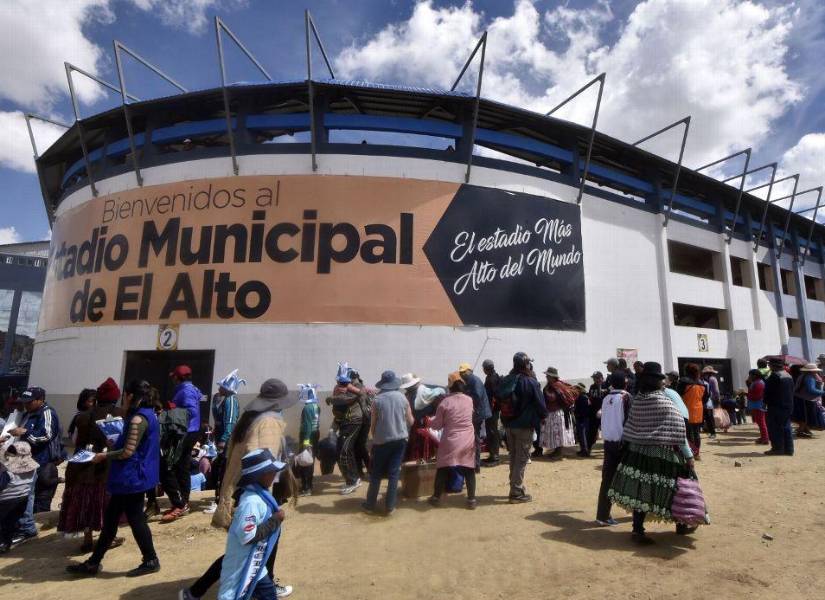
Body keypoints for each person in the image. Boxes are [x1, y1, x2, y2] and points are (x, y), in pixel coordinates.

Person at [183, 378, 296, 600]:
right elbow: (261, 459)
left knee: (239, 551)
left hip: (239, 488)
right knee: (260, 541)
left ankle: (195, 591)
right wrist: (267, 494)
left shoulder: (249, 419)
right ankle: (266, 586)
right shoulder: (269, 423)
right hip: (253, 490)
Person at [67, 379, 161, 577]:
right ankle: (94, 562)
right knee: (112, 520)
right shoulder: (147, 416)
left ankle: (151, 559)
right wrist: (114, 442)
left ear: (130, 396)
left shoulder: (137, 420)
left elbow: (127, 452)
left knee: (134, 519)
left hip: (131, 477)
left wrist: (104, 455)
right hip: (133, 477)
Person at [608, 362, 698, 544]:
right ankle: (681, 524)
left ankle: (637, 530)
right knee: (675, 489)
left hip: (637, 453)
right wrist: (688, 455)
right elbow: (679, 431)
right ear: (658, 381)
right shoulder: (664, 401)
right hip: (662, 454)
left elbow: (631, 426)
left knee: (641, 492)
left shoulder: (638, 400)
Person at [59, 378, 126, 552]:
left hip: (81, 466)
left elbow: (75, 441)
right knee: (105, 504)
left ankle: (87, 540)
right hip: (105, 468)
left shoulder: (82, 416)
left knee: (85, 503)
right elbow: (119, 444)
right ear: (115, 397)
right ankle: (108, 537)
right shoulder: (120, 414)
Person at [216, 449, 286, 600]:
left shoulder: (260, 496)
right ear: (260, 475)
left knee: (267, 594)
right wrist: (275, 520)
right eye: (271, 471)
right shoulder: (251, 502)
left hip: (254, 562)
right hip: (243, 564)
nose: (275, 474)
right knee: (232, 595)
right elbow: (247, 536)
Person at [498, 352, 548, 503]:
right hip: (524, 426)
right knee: (521, 459)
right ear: (526, 364)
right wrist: (543, 417)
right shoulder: (530, 382)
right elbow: (540, 404)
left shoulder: (507, 379)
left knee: (513, 457)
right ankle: (516, 492)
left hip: (508, 424)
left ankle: (515, 486)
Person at [362, 371, 413, 515]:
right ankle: (390, 507)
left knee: (376, 474)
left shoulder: (377, 400)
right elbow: (411, 420)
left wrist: (373, 439)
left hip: (381, 441)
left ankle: (370, 505)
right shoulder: (403, 398)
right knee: (394, 473)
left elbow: (373, 424)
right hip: (400, 440)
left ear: (383, 384)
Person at [6, 387, 62, 516]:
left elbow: (47, 436)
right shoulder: (28, 413)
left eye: (29, 402)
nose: (26, 405)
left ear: (40, 400)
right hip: (25, 462)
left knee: (38, 500)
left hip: (41, 462)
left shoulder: (46, 413)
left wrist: (25, 432)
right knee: (24, 496)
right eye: (24, 402)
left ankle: (33, 527)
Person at [428, 372, 478, 509]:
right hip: (468, 438)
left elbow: (437, 425)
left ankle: (436, 497)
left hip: (450, 439)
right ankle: (471, 500)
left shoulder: (445, 402)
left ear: (450, 387)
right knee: (469, 469)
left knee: (443, 468)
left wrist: (429, 422)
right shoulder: (469, 400)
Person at [161, 365, 203, 522]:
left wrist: (171, 410)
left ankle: (179, 502)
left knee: (168, 465)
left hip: (184, 432)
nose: (172, 379)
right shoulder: (191, 389)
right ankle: (183, 502)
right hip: (190, 431)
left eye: (174, 377)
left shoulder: (185, 391)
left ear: (178, 377)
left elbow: (191, 410)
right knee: (182, 466)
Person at [204, 370, 244, 514]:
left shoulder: (231, 400)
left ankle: (221, 501)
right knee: (221, 468)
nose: (219, 388)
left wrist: (224, 439)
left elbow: (230, 422)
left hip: (228, 441)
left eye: (221, 386)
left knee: (223, 470)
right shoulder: (221, 399)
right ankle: (220, 498)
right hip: (222, 439)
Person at [595, 372, 630, 526]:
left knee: (607, 479)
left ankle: (602, 515)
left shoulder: (606, 398)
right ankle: (638, 513)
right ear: (625, 383)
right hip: (623, 444)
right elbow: (630, 421)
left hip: (608, 443)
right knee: (633, 477)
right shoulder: (626, 397)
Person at [327, 363, 368, 495]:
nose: (341, 383)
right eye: (339, 381)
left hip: (354, 421)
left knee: (345, 450)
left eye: (343, 381)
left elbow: (344, 400)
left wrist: (333, 397)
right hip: (345, 422)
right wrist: (335, 395)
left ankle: (353, 480)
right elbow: (338, 401)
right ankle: (353, 478)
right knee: (343, 451)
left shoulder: (356, 387)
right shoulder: (341, 388)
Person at [0, 441, 38, 554]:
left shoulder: (7, 470)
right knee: (9, 524)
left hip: (4, 502)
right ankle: (5, 544)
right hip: (22, 501)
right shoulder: (33, 468)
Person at [458, 362, 492, 471]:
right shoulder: (469, 380)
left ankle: (476, 464)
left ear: (469, 371)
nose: (462, 374)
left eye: (463, 372)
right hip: (477, 412)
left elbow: (476, 397)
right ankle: (474, 462)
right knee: (473, 437)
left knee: (475, 438)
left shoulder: (474, 380)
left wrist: (466, 403)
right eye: (461, 372)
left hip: (478, 412)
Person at [539, 367, 575, 459]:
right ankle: (556, 451)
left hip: (558, 413)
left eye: (548, 375)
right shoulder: (549, 386)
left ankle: (559, 453)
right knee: (554, 433)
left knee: (558, 433)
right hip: (551, 413)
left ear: (552, 376)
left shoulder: (557, 385)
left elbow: (554, 398)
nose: (546, 377)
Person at [763, 358, 794, 456]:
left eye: (770, 365)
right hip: (788, 405)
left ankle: (778, 448)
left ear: (773, 366)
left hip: (776, 405)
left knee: (775, 428)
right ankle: (789, 449)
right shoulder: (788, 375)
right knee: (786, 427)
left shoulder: (774, 376)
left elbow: (768, 392)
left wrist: (765, 402)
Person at [677, 364, 707, 459]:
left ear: (686, 371)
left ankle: (689, 453)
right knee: (696, 433)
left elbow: (678, 395)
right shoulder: (702, 383)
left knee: (688, 433)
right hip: (698, 410)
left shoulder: (683, 381)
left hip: (686, 409)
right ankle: (697, 453)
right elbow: (705, 398)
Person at [296, 384, 320, 496]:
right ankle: (309, 485)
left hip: (307, 437)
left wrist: (305, 442)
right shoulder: (316, 406)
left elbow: (307, 426)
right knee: (310, 460)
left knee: (305, 462)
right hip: (315, 435)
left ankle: (306, 488)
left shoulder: (307, 408)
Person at [792, 363, 824, 438]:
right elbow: (811, 390)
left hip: (801, 398)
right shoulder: (809, 377)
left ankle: (805, 429)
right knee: (805, 416)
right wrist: (823, 392)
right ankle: (801, 431)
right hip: (806, 399)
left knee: (804, 416)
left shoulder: (804, 376)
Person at [481, 359, 502, 466]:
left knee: (492, 431)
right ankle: (492, 454)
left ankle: (495, 456)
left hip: (492, 409)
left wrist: (490, 409)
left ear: (486, 368)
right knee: (491, 431)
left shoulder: (492, 379)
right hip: (491, 408)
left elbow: (495, 396)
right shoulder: (491, 376)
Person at [746, 369, 769, 444]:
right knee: (759, 422)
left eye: (750, 375)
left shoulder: (759, 383)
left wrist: (746, 394)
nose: (749, 376)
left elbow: (757, 396)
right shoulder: (755, 382)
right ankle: (763, 437)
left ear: (755, 375)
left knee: (761, 422)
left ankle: (765, 438)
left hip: (759, 405)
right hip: (756, 405)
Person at [587, 371, 606, 450]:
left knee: (606, 430)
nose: (595, 380)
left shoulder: (606, 386)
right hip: (594, 412)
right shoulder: (592, 387)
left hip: (605, 412)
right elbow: (591, 398)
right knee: (592, 431)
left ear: (602, 378)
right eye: (594, 378)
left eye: (597, 378)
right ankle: (588, 448)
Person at [573, 383, 592, 457]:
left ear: (580, 389)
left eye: (577, 388)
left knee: (583, 435)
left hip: (583, 419)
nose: (575, 389)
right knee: (581, 436)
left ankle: (585, 451)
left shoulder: (583, 397)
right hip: (582, 418)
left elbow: (585, 410)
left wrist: (579, 415)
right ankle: (583, 450)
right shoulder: (582, 397)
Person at [701, 366, 719, 439]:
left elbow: (715, 391)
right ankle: (712, 432)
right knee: (709, 417)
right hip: (709, 401)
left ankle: (710, 431)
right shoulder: (712, 379)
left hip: (705, 401)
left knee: (707, 417)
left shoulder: (704, 379)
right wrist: (717, 399)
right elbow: (716, 391)